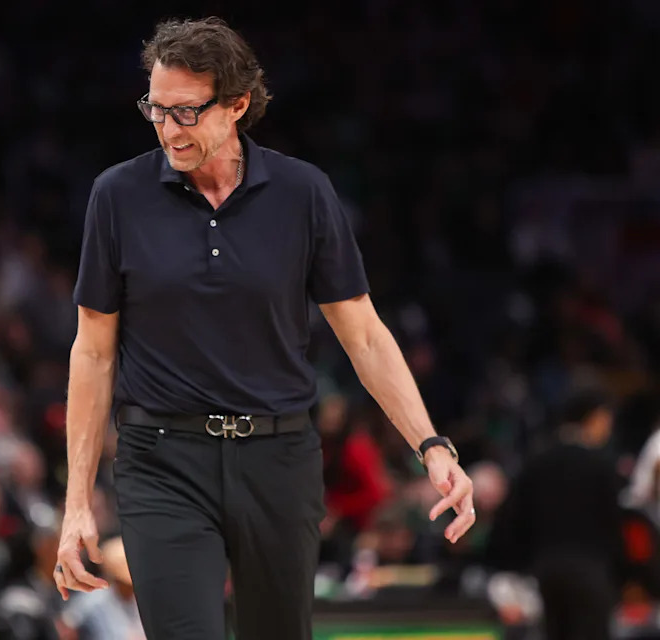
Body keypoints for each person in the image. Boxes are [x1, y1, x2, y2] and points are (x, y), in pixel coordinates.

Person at [57, 16, 476, 640]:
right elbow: (92, 353)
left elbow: (361, 333)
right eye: (156, 109)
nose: (168, 129)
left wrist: (430, 445)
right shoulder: (116, 196)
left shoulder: (304, 193)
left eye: (187, 112)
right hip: (161, 456)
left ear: (237, 105)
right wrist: (76, 505)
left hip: (278, 456)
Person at [486, 389, 624, 640]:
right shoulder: (602, 463)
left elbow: (514, 519)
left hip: (546, 571)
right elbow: (614, 522)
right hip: (590, 571)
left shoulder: (536, 460)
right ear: (593, 418)